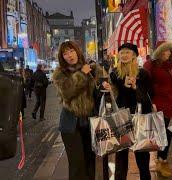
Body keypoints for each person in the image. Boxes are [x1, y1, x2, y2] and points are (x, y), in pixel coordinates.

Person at [52, 41, 109, 180]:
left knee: (90, 162)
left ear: (77, 51)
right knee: (77, 165)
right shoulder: (60, 73)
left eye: (71, 51)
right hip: (71, 124)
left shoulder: (92, 68)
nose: (69, 55)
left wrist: (105, 88)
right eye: (65, 53)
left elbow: (99, 95)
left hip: (90, 123)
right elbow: (67, 92)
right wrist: (81, 74)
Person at [104, 43, 152, 180]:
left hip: (139, 116)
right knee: (121, 154)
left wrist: (135, 87)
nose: (124, 55)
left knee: (142, 154)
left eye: (128, 52)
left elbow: (149, 96)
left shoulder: (143, 74)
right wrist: (108, 89)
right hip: (121, 117)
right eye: (122, 52)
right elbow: (113, 97)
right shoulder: (115, 74)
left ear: (134, 55)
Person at [144, 42, 172, 177]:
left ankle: (162, 160)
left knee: (169, 133)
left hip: (171, 105)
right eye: (164, 51)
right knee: (162, 134)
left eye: (169, 51)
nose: (166, 53)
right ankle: (161, 161)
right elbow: (145, 84)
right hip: (157, 105)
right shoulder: (151, 65)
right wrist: (150, 102)